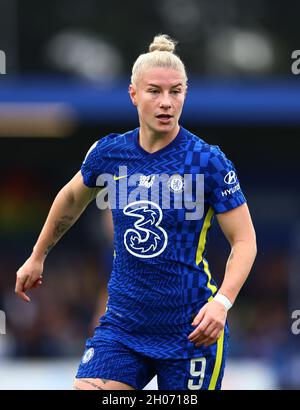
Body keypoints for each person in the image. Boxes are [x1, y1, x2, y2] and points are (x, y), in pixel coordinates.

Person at [15, 34, 257, 390]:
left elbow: (245, 240)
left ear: (185, 94)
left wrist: (223, 301)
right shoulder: (109, 153)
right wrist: (37, 256)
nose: (166, 102)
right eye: (154, 91)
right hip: (123, 328)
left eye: (175, 92)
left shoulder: (208, 161)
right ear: (133, 94)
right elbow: (70, 199)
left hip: (191, 332)